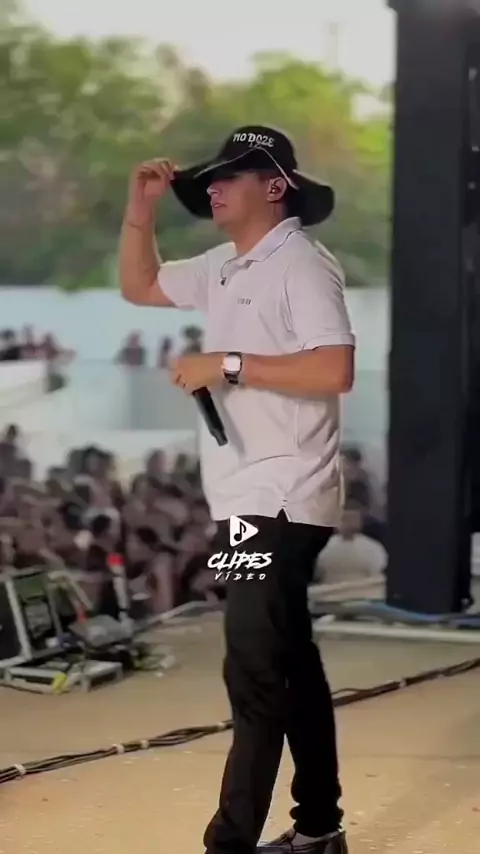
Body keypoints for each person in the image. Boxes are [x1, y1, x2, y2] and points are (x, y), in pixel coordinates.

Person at [120, 125, 354, 854]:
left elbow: (334, 370)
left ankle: (229, 844)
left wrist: (225, 363)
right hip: (246, 496)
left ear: (275, 186)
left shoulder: (302, 264)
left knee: (253, 666)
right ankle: (319, 827)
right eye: (210, 180)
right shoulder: (225, 265)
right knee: (288, 660)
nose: (213, 188)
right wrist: (141, 209)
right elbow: (140, 286)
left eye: (230, 177)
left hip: (280, 494)